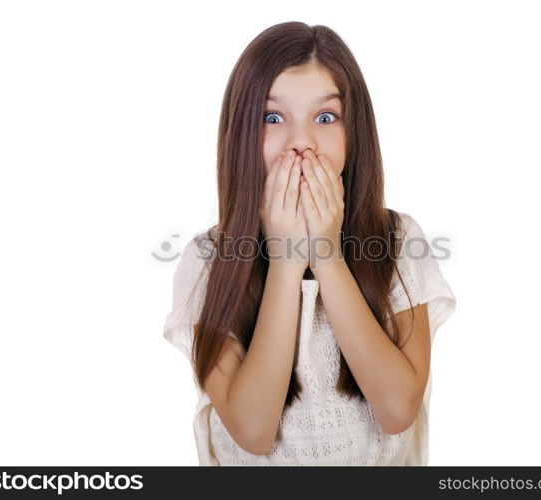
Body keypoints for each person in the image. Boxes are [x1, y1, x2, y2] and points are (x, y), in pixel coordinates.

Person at [163, 21, 456, 466]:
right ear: (241, 132)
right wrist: (284, 262)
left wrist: (326, 256)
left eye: (325, 118)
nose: (301, 142)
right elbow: (253, 432)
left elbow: (398, 410)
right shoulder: (207, 262)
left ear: (353, 132)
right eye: (273, 117)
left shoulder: (398, 241)